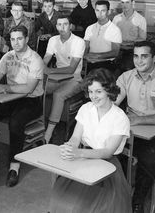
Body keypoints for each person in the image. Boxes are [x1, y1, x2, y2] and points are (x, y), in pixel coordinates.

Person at [49, 68, 131, 213]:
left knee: (87, 207)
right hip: (84, 159)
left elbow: (107, 152)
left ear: (109, 91)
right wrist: (69, 147)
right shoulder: (85, 109)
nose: (94, 96)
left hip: (108, 167)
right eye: (91, 91)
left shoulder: (120, 117)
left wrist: (77, 153)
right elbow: (76, 137)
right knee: (59, 198)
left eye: (99, 91)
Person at [116, 41, 155, 212]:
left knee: (148, 160)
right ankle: (119, 193)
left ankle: (137, 201)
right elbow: (114, 102)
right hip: (131, 128)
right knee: (112, 151)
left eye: (144, 56)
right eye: (136, 56)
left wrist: (137, 120)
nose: (139, 61)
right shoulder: (126, 77)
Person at [0, 26, 44, 188]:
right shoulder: (7, 56)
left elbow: (29, 89)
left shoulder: (35, 59)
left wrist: (3, 88)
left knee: (15, 123)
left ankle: (14, 166)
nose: (16, 43)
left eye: (19, 39)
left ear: (26, 39)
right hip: (10, 98)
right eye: (12, 39)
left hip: (32, 101)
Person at [43, 15, 85, 144]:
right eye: (59, 25)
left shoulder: (79, 41)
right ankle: (39, 124)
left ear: (70, 26)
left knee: (58, 95)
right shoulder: (53, 40)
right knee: (38, 88)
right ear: (56, 27)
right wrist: (41, 67)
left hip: (75, 79)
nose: (62, 27)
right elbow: (45, 59)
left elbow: (71, 69)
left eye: (65, 24)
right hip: (57, 78)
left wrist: (50, 70)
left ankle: (48, 133)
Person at [84, 0, 122, 74]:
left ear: (108, 12)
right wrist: (85, 56)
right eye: (97, 10)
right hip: (90, 64)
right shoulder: (90, 28)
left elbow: (115, 52)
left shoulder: (115, 29)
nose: (100, 13)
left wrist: (96, 56)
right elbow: (86, 47)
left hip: (106, 65)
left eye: (103, 11)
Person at [112, 0, 147, 71]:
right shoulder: (116, 19)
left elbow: (143, 38)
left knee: (127, 69)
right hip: (117, 50)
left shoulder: (140, 19)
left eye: (127, 2)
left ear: (133, 2)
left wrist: (129, 43)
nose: (124, 5)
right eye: (122, 2)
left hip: (132, 51)